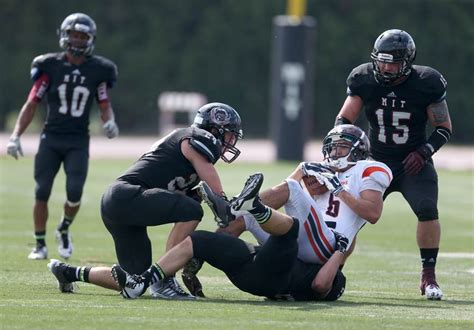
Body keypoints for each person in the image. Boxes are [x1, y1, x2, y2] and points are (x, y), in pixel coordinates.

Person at [46, 102, 244, 298]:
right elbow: (214, 193)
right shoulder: (197, 138)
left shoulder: (188, 145)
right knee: (192, 211)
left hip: (116, 201)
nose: (232, 140)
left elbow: (184, 192)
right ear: (213, 129)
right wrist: (225, 203)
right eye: (229, 134)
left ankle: (68, 272)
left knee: (135, 280)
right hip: (127, 194)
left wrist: (205, 198)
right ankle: (165, 279)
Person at [47, 173, 348, 302]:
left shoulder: (325, 282)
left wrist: (339, 253)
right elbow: (320, 280)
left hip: (266, 272)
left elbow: (323, 283)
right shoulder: (314, 275)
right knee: (198, 240)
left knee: (291, 229)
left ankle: (250, 207)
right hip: (255, 275)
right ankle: (128, 279)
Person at [194, 124, 391, 292]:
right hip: (306, 237)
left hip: (328, 244)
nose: (334, 152)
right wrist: (301, 170)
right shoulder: (326, 171)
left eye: (342, 147)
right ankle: (199, 256)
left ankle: (231, 207)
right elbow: (294, 197)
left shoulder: (368, 168)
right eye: (332, 147)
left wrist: (338, 189)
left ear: (358, 150)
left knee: (291, 188)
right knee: (244, 219)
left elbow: (373, 213)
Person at [334, 29, 452, 300]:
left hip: (413, 162)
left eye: (392, 62)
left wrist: (424, 152)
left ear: (408, 62)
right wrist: (349, 152)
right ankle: (334, 269)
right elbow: (343, 121)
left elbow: (444, 128)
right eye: (382, 60)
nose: (385, 67)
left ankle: (429, 277)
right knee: (349, 218)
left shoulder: (427, 82)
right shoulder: (364, 78)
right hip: (375, 161)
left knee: (427, 209)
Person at [6, 13, 119, 260]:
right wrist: (15, 135)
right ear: (65, 36)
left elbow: (103, 101)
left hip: (78, 140)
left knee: (75, 192)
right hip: (51, 138)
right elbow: (31, 103)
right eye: (74, 35)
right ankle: (39, 244)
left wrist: (109, 121)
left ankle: (64, 228)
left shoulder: (99, 70)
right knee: (42, 190)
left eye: (83, 37)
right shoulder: (49, 66)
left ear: (90, 40)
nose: (78, 41)